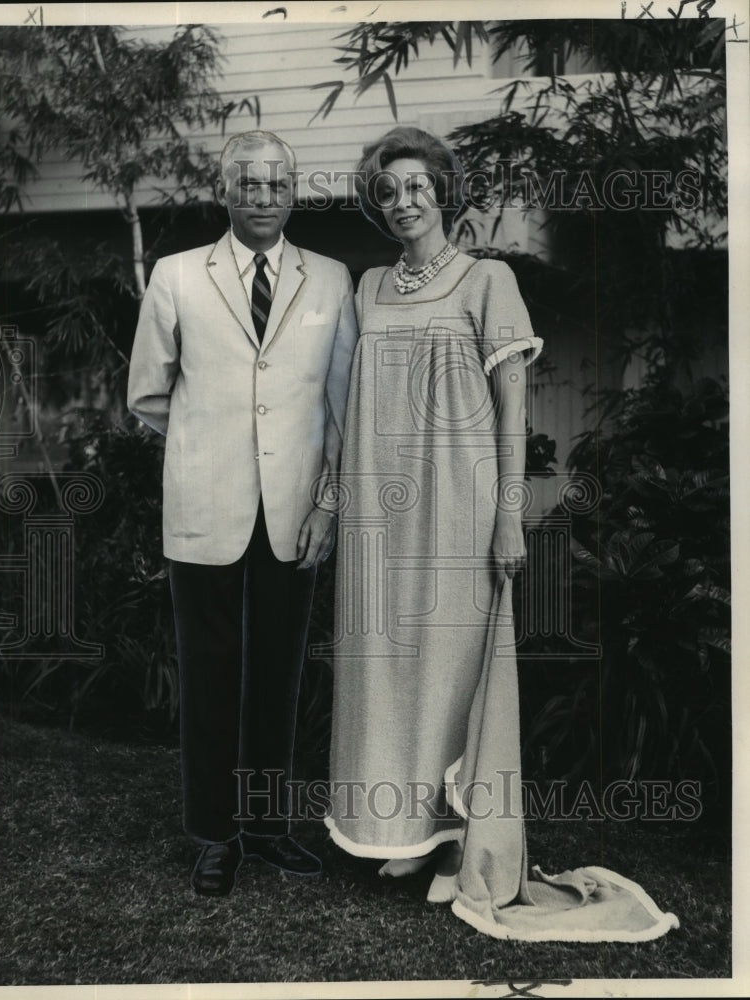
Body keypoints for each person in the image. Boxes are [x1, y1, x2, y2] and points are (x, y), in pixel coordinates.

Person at [324, 126, 678, 941]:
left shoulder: (489, 281)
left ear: (442, 192)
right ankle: (407, 832)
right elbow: (349, 406)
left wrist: (506, 512)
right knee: (387, 667)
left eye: (416, 186)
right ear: (377, 207)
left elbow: (513, 409)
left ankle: (461, 842)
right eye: (387, 191)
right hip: (382, 507)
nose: (403, 201)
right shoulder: (369, 286)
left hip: (460, 502)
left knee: (455, 669)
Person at [128, 130, 357, 896]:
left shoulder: (329, 279)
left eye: (277, 184)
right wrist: (210, 448)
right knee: (210, 673)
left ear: (295, 192)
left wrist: (327, 503)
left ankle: (266, 826)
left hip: (297, 512)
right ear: (224, 192)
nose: (263, 197)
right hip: (206, 507)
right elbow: (149, 394)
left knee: (277, 676)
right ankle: (215, 835)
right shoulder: (177, 275)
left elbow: (341, 410)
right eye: (248, 184)